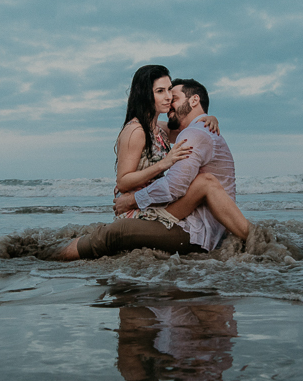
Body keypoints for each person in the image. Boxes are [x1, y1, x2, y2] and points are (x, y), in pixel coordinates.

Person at [56, 76, 250, 260]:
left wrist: (132, 200)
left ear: (194, 100)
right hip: (193, 221)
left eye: (173, 97)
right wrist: (208, 116)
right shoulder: (164, 130)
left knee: (116, 233)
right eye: (162, 93)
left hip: (195, 231)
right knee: (116, 234)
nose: (168, 102)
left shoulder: (194, 133)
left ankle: (46, 255)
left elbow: (174, 187)